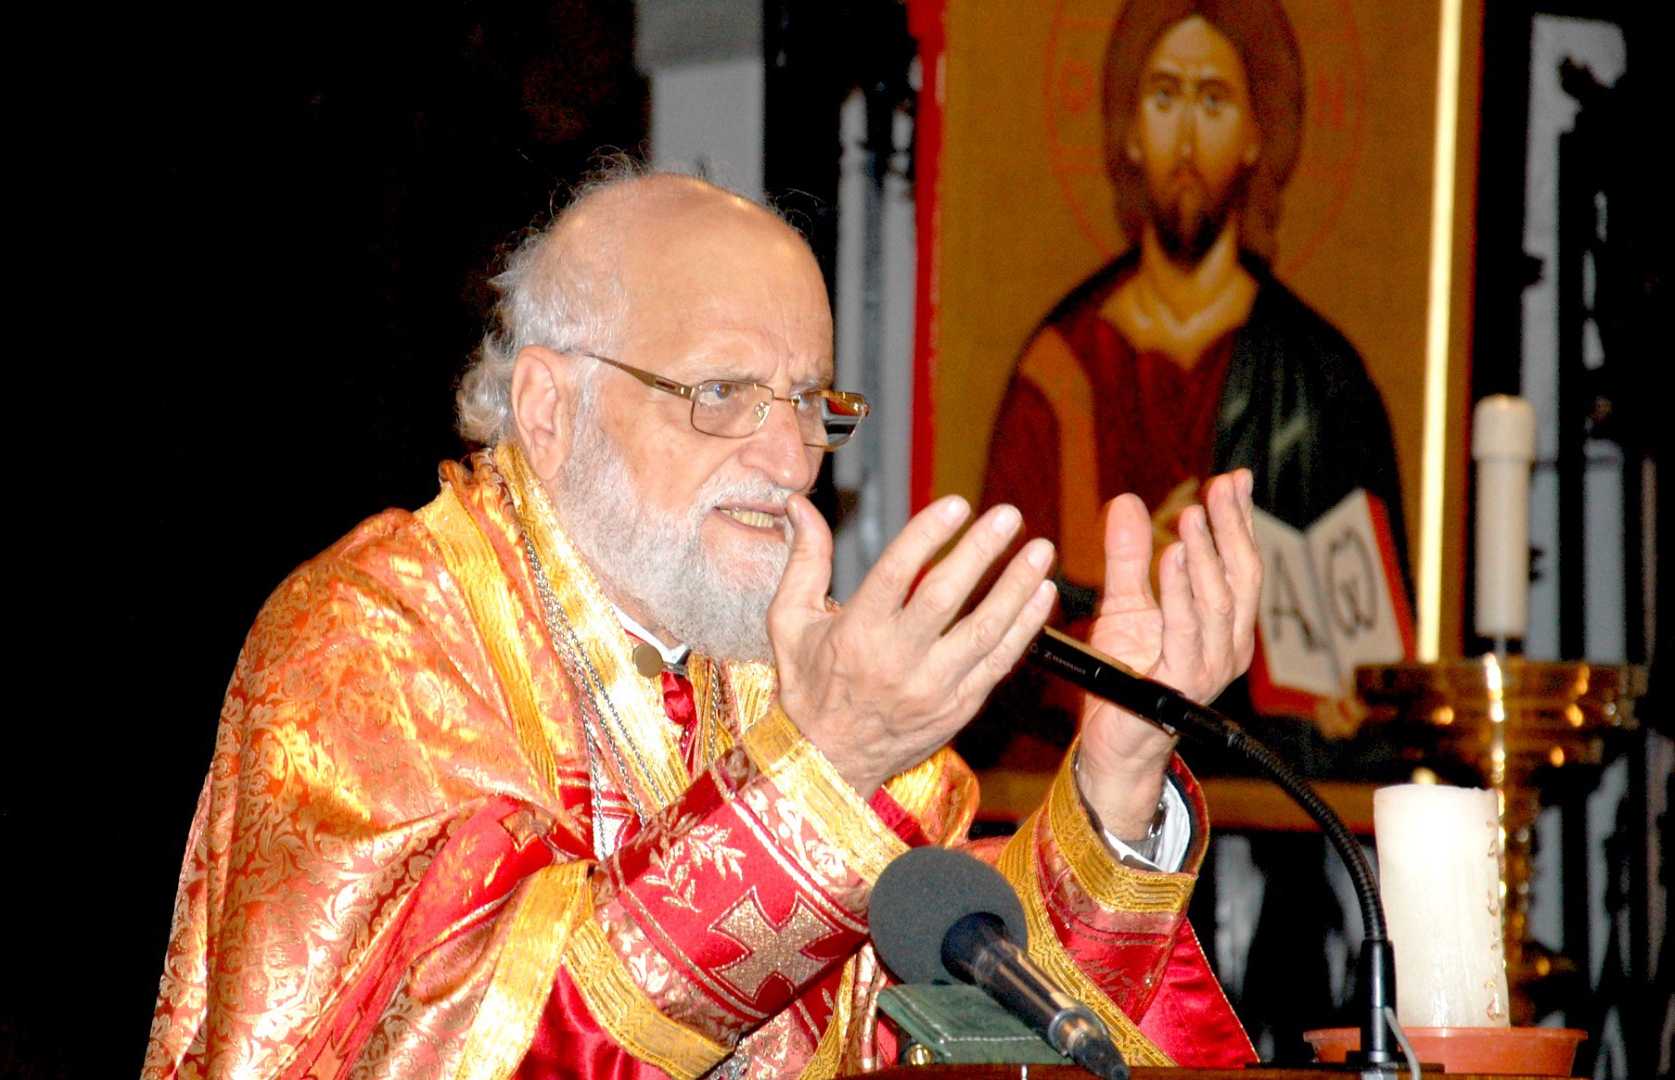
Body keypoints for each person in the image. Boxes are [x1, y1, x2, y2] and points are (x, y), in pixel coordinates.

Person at [144, 165, 1263, 1079]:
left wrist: (1117, 784)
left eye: (813, 405)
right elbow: (451, 1049)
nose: (786, 463)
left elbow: (929, 1033)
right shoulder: (377, 640)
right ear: (549, 408)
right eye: (719, 394)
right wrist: (819, 778)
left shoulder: (793, 661)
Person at [982, 0, 1408, 659]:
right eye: (1163, 97)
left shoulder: (1320, 378)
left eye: (1213, 102)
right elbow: (999, 638)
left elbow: (1362, 644)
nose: (1185, 140)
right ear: (1128, 130)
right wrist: (1126, 583)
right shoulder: (1061, 366)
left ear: (1255, 137)